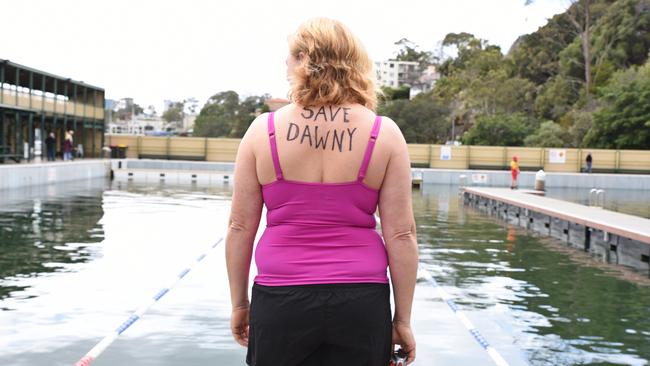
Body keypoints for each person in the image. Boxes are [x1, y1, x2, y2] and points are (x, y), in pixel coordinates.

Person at [225, 18, 418, 366]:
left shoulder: (262, 131)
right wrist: (401, 319)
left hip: (281, 299)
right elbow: (401, 234)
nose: (285, 63)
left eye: (290, 56)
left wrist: (240, 304)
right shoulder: (384, 133)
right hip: (362, 300)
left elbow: (240, 227)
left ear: (304, 59)